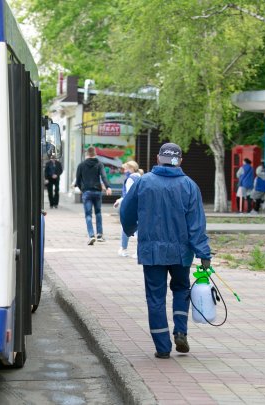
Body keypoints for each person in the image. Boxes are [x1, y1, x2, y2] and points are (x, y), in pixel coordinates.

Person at [119, 142, 212, 359]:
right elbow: (197, 224)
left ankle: (162, 347)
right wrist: (203, 254)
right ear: (180, 161)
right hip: (181, 253)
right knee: (181, 289)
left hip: (152, 251)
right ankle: (180, 331)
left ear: (157, 158)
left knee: (155, 297)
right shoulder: (189, 186)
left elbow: (126, 211)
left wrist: (131, 228)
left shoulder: (144, 183)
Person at [75, 146, 112, 245]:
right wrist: (108, 187)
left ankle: (91, 235)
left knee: (88, 215)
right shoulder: (99, 164)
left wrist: (82, 189)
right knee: (98, 213)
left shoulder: (81, 165)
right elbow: (103, 176)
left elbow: (78, 180)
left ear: (87, 154)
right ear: (95, 154)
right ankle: (99, 234)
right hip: (97, 192)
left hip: (87, 192)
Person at [113, 160, 143, 257]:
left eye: (125, 169)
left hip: (131, 206)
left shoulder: (130, 179)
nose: (124, 171)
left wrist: (121, 201)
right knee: (139, 227)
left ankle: (124, 249)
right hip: (141, 205)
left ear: (131, 169)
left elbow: (130, 195)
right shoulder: (141, 177)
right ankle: (135, 250)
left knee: (127, 226)